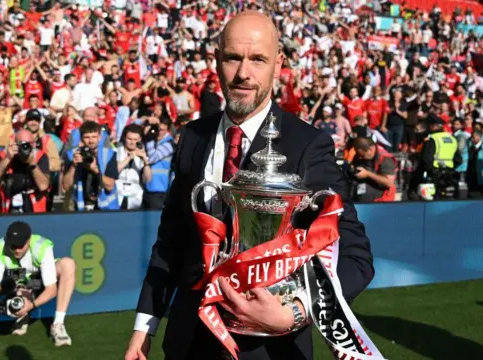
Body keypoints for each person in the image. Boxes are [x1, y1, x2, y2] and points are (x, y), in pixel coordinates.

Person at [124, 11, 373, 360]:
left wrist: (296, 311)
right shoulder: (193, 137)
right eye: (233, 58)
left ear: (278, 64)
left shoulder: (308, 145)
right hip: (187, 344)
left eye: (258, 59)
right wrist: (144, 327)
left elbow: (355, 256)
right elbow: (171, 242)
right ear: (216, 61)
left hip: (270, 349)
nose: (243, 73)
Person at [0, 221, 75, 346]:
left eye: (21, 245)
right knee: (12, 277)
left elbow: (51, 289)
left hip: (39, 280)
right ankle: (21, 313)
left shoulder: (42, 246)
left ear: (29, 240)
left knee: (68, 264)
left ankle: (58, 324)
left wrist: (31, 305)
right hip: (16, 281)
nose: (17, 250)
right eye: (13, 245)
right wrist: (4, 289)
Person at [0, 129, 51, 213]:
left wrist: (32, 163)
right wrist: (7, 159)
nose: (24, 148)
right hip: (8, 210)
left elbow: (43, 186)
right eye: (21, 144)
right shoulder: (5, 155)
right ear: (15, 144)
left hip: (34, 211)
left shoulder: (40, 156)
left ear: (34, 144)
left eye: (28, 144)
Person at [62, 121, 120, 211]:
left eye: (94, 137)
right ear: (81, 138)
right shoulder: (72, 154)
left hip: (106, 208)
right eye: (87, 137)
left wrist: (94, 169)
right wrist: (73, 165)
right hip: (81, 207)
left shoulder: (108, 154)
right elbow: (66, 186)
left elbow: (110, 186)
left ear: (100, 137)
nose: (91, 141)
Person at [419, 115, 463, 199]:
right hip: (450, 176)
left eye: (429, 126)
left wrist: (430, 171)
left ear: (433, 126)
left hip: (435, 177)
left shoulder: (432, 139)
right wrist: (449, 168)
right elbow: (459, 160)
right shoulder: (452, 138)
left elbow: (426, 160)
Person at [350, 137, 397, 202]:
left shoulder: (385, 159)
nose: (360, 157)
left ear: (370, 149)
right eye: (359, 155)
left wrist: (368, 174)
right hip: (363, 194)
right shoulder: (359, 155)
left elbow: (389, 182)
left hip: (381, 200)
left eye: (362, 155)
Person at [116, 124, 151, 209]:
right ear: (124, 138)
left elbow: (148, 179)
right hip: (117, 194)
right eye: (130, 139)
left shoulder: (142, 153)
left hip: (134, 196)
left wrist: (145, 162)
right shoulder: (116, 151)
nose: (132, 142)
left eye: (135, 139)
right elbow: (114, 172)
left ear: (140, 139)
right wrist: (130, 157)